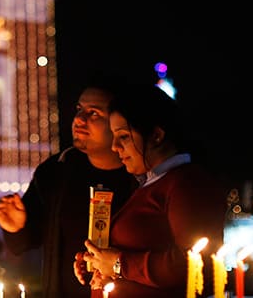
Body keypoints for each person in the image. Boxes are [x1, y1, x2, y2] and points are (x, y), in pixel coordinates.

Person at [73, 82, 226, 297]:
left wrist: (118, 264)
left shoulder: (187, 183)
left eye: (124, 136)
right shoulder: (150, 183)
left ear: (156, 135)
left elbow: (194, 262)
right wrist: (99, 262)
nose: (115, 147)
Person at [0, 76, 139, 298]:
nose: (79, 120)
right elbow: (24, 243)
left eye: (94, 113)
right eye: (79, 109)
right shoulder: (56, 171)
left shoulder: (141, 176)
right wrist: (15, 228)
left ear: (119, 122)